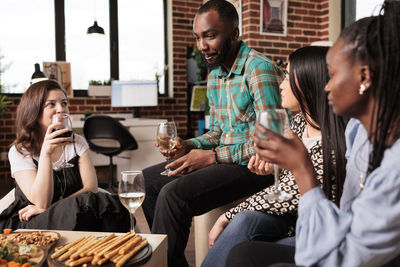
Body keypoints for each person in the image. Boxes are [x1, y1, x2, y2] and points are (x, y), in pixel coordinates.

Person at [226, 1, 400, 266]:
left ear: (364, 77)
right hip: (334, 232)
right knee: (243, 250)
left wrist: (301, 168)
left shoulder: (393, 168)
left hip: (347, 253)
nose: (326, 86)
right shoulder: (357, 130)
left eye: (331, 74)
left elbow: (341, 258)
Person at [141, 0, 283, 266]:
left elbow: (273, 144)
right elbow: (217, 131)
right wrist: (187, 145)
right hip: (225, 157)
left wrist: (213, 157)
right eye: (198, 37)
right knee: (147, 181)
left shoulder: (258, 69)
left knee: (173, 195)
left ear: (234, 33)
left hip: (255, 167)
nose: (202, 46)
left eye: (210, 35)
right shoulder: (216, 74)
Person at [202, 46, 347, 267]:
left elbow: (290, 193)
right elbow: (289, 179)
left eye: (287, 77)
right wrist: (275, 167)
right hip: (290, 217)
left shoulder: (332, 147)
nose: (280, 83)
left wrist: (226, 216)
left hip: (312, 228)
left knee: (241, 226)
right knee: (245, 220)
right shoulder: (299, 123)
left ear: (308, 84)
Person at [0, 80, 130, 231]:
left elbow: (91, 188)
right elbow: (41, 202)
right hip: (32, 220)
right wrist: (46, 154)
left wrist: (54, 208)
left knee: (106, 205)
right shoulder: (20, 151)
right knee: (96, 205)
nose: (61, 109)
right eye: (51, 104)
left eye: (64, 103)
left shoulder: (77, 142)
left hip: (73, 212)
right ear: (34, 111)